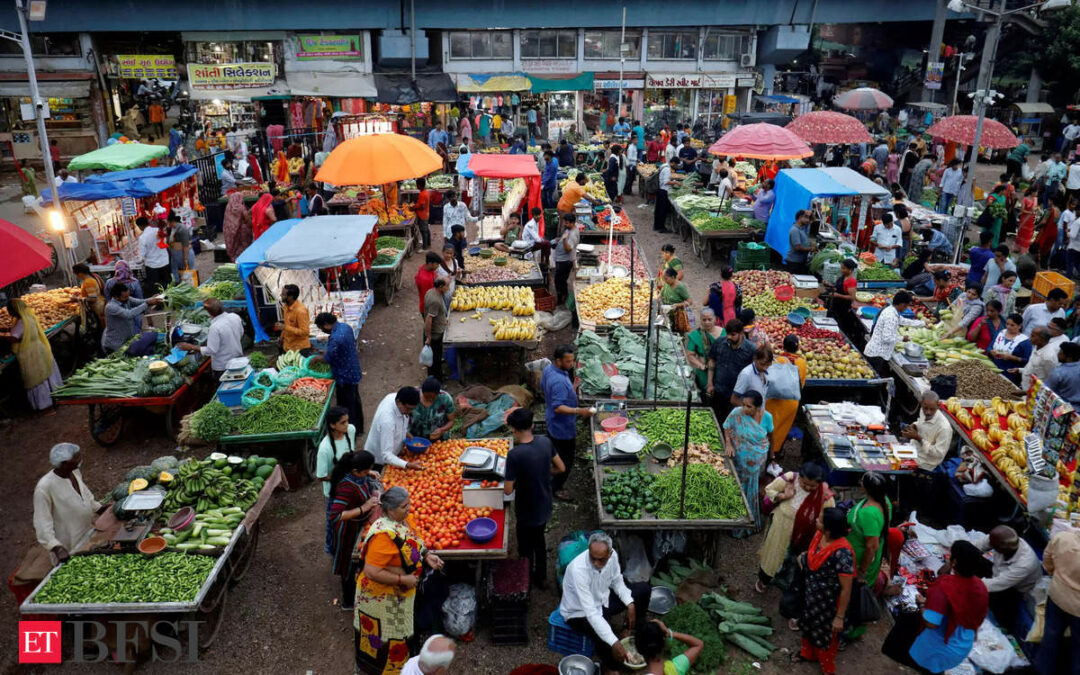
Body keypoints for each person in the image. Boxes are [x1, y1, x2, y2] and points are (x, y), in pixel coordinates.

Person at [353, 486, 445, 675]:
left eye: (409, 503)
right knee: (385, 636)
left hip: (400, 594)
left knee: (401, 632)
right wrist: (402, 579)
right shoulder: (382, 535)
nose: (409, 508)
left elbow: (413, 540)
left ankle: (404, 665)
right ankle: (384, 669)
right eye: (404, 506)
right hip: (381, 598)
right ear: (389, 510)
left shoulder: (402, 521)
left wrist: (427, 555)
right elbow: (371, 571)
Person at [883, 540, 989, 674]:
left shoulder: (944, 587)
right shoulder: (980, 586)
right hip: (963, 645)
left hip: (939, 648)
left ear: (954, 562)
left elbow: (931, 623)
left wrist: (922, 604)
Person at [558, 532, 651, 675]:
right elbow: (591, 613)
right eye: (592, 558)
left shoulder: (613, 557)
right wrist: (614, 642)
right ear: (589, 551)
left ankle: (630, 630)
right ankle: (611, 668)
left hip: (602, 600)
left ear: (609, 553)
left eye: (601, 560)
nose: (596, 563)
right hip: (579, 613)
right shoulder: (578, 570)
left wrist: (630, 603)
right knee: (607, 642)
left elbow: (617, 581)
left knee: (643, 590)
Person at [504, 408, 564, 589]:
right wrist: (544, 473)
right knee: (539, 540)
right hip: (544, 504)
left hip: (526, 508)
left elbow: (507, 490)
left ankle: (526, 577)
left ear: (513, 429)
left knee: (525, 546)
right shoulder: (545, 442)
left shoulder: (515, 455)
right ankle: (542, 578)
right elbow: (560, 468)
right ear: (532, 425)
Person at [792, 507, 854, 674]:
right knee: (808, 626)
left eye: (819, 520)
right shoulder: (819, 536)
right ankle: (807, 654)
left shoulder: (843, 553)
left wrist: (839, 617)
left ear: (828, 529)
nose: (815, 521)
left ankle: (827, 668)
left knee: (825, 637)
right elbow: (812, 557)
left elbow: (846, 588)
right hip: (812, 596)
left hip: (829, 605)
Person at [757, 462, 833, 592]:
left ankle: (786, 584)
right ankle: (764, 580)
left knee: (793, 560)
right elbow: (769, 489)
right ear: (800, 478)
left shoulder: (824, 495)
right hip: (781, 526)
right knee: (773, 554)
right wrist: (784, 496)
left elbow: (829, 514)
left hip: (804, 534)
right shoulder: (790, 478)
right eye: (804, 484)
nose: (807, 488)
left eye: (812, 486)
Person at [33, 443, 103, 566]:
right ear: (64, 463)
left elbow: (85, 493)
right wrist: (56, 547)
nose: (80, 458)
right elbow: (42, 523)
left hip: (88, 535)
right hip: (68, 547)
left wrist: (98, 507)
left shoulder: (75, 472)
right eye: (76, 457)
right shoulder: (44, 488)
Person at [328, 449, 379, 611]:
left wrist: (368, 473)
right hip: (347, 530)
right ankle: (348, 602)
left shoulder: (356, 475)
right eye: (365, 470)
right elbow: (335, 515)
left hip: (358, 525)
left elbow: (363, 475)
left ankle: (358, 587)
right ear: (355, 471)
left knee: (357, 561)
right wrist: (363, 508)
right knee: (348, 564)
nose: (367, 473)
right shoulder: (346, 487)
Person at [844, 471, 892, 643]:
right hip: (869, 559)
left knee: (854, 596)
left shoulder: (868, 513)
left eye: (862, 481)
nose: (859, 482)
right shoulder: (885, 502)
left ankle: (851, 632)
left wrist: (861, 571)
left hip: (861, 561)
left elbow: (872, 546)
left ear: (867, 488)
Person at [542, 344, 593, 502]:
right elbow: (558, 407)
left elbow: (544, 389)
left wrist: (572, 388)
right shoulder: (558, 382)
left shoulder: (549, 369)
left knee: (554, 453)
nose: (572, 364)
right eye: (568, 361)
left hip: (551, 421)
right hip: (561, 427)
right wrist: (579, 411)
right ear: (558, 361)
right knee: (566, 460)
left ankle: (546, 473)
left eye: (573, 360)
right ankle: (556, 487)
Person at [723, 390, 774, 532]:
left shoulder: (767, 417)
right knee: (737, 484)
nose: (745, 409)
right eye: (743, 404)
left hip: (757, 458)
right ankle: (733, 519)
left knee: (751, 486)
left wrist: (772, 456)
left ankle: (748, 521)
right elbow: (727, 426)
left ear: (758, 407)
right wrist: (728, 443)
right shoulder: (737, 413)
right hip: (740, 458)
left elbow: (770, 436)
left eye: (749, 406)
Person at [1, 298, 63, 410]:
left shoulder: (21, 322)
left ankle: (45, 405)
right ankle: (55, 398)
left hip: (31, 353)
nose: (9, 312)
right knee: (46, 374)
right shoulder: (29, 316)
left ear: (15, 310)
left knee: (36, 378)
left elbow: (14, 338)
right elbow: (17, 330)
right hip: (40, 348)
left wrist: (1, 336)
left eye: (10, 309)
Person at [1038, 526, 1080, 675]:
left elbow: (1047, 561)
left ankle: (1043, 670)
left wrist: (1057, 574)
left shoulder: (1062, 538)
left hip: (1058, 596)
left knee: (1051, 636)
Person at [314, 313, 364, 431]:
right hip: (353, 369)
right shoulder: (345, 327)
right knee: (355, 400)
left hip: (344, 374)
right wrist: (325, 352)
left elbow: (328, 358)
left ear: (326, 325)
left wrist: (317, 358)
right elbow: (341, 349)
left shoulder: (335, 337)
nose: (323, 331)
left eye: (321, 328)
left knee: (346, 404)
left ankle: (350, 430)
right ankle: (359, 427)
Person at [706, 318, 756, 422]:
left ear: (741, 333)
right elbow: (712, 360)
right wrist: (710, 383)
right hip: (718, 391)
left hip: (736, 397)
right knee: (714, 420)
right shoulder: (720, 342)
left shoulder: (751, 350)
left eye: (733, 334)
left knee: (731, 424)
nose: (729, 337)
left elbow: (755, 372)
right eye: (728, 333)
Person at [176, 298, 243, 375]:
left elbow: (211, 350)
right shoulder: (234, 317)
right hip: (238, 360)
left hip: (223, 366)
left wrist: (191, 347)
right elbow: (241, 333)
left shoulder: (215, 327)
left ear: (209, 313)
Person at [766, 334, 808, 456]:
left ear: (783, 346)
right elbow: (802, 383)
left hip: (775, 400)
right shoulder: (802, 363)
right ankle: (776, 451)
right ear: (798, 348)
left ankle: (767, 450)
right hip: (791, 402)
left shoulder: (778, 361)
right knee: (783, 428)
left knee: (770, 426)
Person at [864, 291, 923, 375]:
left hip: (876, 352)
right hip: (877, 355)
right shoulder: (890, 316)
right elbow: (887, 338)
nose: (906, 308)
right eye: (906, 306)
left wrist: (922, 324)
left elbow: (902, 320)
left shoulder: (891, 310)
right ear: (902, 304)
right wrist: (902, 338)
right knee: (874, 378)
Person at [365, 387, 423, 471]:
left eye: (413, 409)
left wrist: (404, 432)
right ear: (399, 402)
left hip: (393, 455)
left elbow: (399, 422)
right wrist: (407, 464)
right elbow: (386, 455)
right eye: (408, 408)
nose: (410, 412)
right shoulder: (387, 420)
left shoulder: (393, 397)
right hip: (378, 460)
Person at [101, 283, 161, 353]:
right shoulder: (111, 307)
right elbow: (129, 314)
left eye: (128, 296)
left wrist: (152, 299)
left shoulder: (127, 299)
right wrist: (147, 303)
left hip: (125, 342)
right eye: (125, 297)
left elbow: (140, 302)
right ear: (116, 297)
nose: (128, 298)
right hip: (115, 345)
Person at [634, 619, 704, 675]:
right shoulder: (676, 667)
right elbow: (698, 644)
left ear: (639, 650)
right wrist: (669, 633)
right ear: (664, 644)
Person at [316, 406, 358, 500]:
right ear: (332, 425)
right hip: (335, 492)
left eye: (347, 420)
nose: (347, 424)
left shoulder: (350, 430)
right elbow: (321, 477)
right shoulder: (325, 448)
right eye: (343, 423)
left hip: (351, 486)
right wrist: (342, 478)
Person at [685, 308, 724, 401]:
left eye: (709, 319)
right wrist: (701, 365)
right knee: (706, 396)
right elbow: (690, 354)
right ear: (700, 320)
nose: (707, 322)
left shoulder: (724, 333)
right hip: (704, 372)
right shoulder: (696, 335)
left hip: (721, 370)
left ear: (715, 319)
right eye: (704, 320)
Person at [987, 313, 1032, 385]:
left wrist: (1013, 358)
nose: (1008, 327)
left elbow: (1027, 360)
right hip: (994, 368)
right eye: (1007, 324)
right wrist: (991, 352)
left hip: (1010, 373)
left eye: (1012, 325)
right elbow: (989, 347)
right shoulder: (1000, 333)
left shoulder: (1024, 341)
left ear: (1020, 326)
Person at [273, 283, 311, 354]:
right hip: (287, 346)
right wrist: (281, 338)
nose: (281, 295)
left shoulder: (301, 311)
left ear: (290, 297)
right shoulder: (286, 306)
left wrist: (285, 327)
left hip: (299, 349)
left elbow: (305, 332)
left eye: (283, 294)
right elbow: (287, 325)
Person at [423, 277, 449, 378]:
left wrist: (443, 320)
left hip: (437, 329)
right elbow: (429, 319)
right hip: (435, 334)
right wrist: (428, 337)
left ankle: (437, 375)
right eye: (447, 286)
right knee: (435, 359)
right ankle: (437, 380)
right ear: (441, 287)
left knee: (436, 357)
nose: (448, 288)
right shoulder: (435, 301)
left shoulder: (430, 291)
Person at [136, 216, 170, 293]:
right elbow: (165, 242)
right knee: (167, 283)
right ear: (148, 223)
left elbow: (142, 255)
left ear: (140, 226)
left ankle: (160, 302)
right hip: (164, 261)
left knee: (156, 287)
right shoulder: (158, 230)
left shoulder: (143, 237)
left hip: (153, 265)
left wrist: (139, 259)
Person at [552, 213, 579, 306]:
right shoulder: (570, 229)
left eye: (567, 223)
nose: (564, 224)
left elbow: (568, 248)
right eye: (564, 222)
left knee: (560, 280)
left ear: (572, 223)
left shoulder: (572, 235)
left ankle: (562, 298)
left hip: (565, 261)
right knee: (560, 280)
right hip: (561, 259)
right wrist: (559, 239)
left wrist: (563, 240)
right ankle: (563, 295)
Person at [1021, 326, 1059, 391]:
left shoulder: (1048, 357)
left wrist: (1027, 392)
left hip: (1033, 393)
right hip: (1024, 387)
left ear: (1042, 339)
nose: (1030, 338)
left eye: (1033, 336)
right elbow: (1033, 368)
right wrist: (1019, 370)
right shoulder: (1036, 347)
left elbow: (1048, 380)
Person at [653, 158, 681, 232]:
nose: (676, 166)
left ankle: (657, 226)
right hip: (663, 191)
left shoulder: (664, 166)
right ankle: (661, 228)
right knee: (662, 210)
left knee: (659, 210)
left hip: (661, 190)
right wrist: (675, 182)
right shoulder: (667, 170)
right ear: (673, 163)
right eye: (676, 164)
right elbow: (666, 182)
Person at [660, 268, 691, 333]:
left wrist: (677, 305)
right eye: (664, 279)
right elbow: (661, 293)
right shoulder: (667, 284)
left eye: (666, 278)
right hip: (667, 313)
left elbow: (690, 301)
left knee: (676, 333)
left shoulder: (680, 287)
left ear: (673, 277)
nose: (665, 281)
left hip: (677, 316)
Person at [785, 209, 814, 274]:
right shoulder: (795, 230)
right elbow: (797, 247)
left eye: (808, 218)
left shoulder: (802, 228)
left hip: (800, 261)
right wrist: (810, 249)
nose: (808, 220)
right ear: (800, 217)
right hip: (794, 262)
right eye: (806, 217)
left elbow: (813, 219)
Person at [412, 177, 433, 250]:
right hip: (426, 213)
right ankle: (428, 243)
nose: (416, 186)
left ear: (419, 185)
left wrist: (414, 208)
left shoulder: (422, 194)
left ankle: (425, 246)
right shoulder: (426, 192)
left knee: (423, 231)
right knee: (426, 229)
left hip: (422, 215)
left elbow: (422, 206)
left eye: (417, 185)